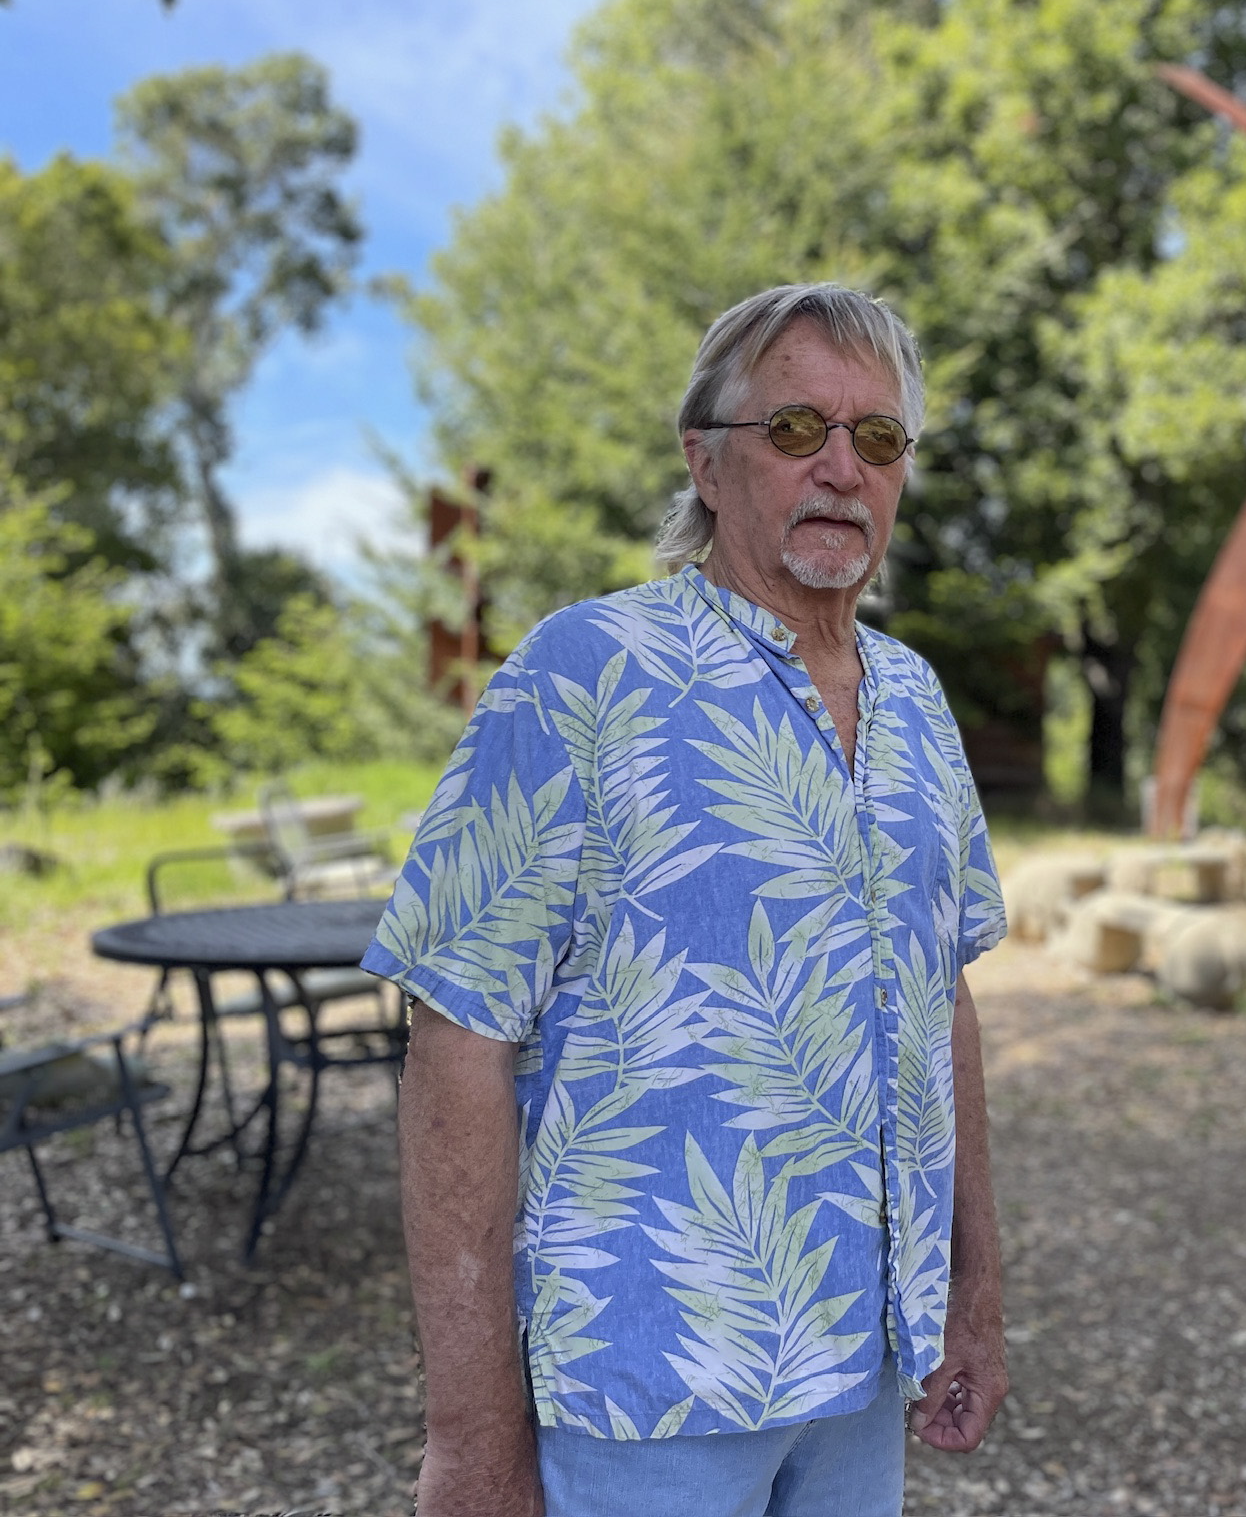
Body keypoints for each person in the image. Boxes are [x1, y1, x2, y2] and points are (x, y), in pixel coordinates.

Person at [365, 282, 1009, 1517]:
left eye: (877, 437)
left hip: (865, 1365)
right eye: (795, 427)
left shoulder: (917, 701)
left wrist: (970, 1296)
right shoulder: (583, 673)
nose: (840, 467)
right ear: (705, 461)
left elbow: (943, 1002)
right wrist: (472, 1438)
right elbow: (456, 1040)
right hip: (647, 1386)